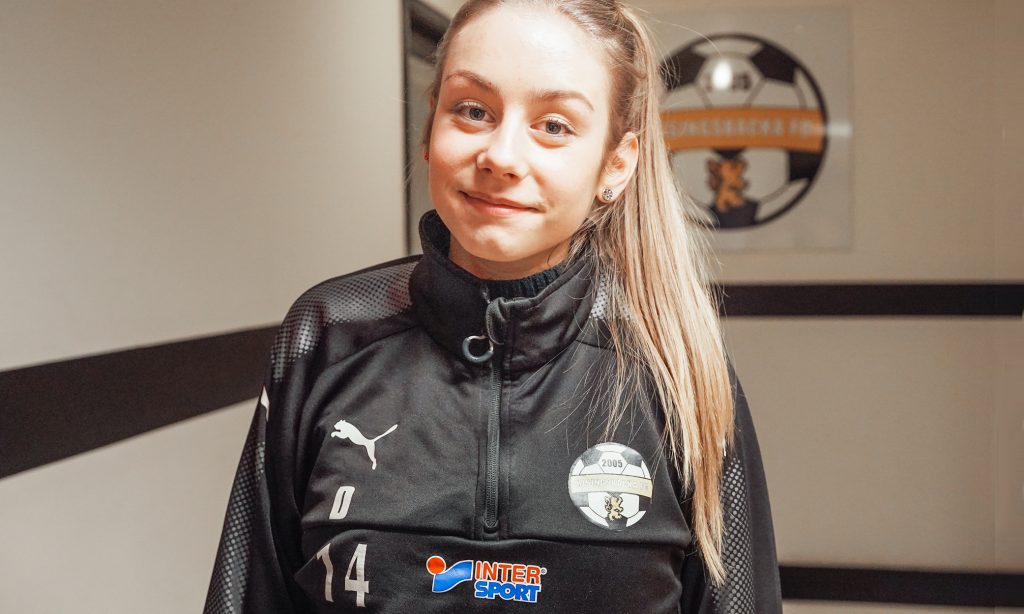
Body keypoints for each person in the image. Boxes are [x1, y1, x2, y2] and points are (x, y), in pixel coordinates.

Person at [204, 0, 781, 612]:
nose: (502, 157)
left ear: (616, 164)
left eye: (554, 125)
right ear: (431, 129)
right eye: (473, 110)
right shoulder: (330, 332)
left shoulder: (670, 357)